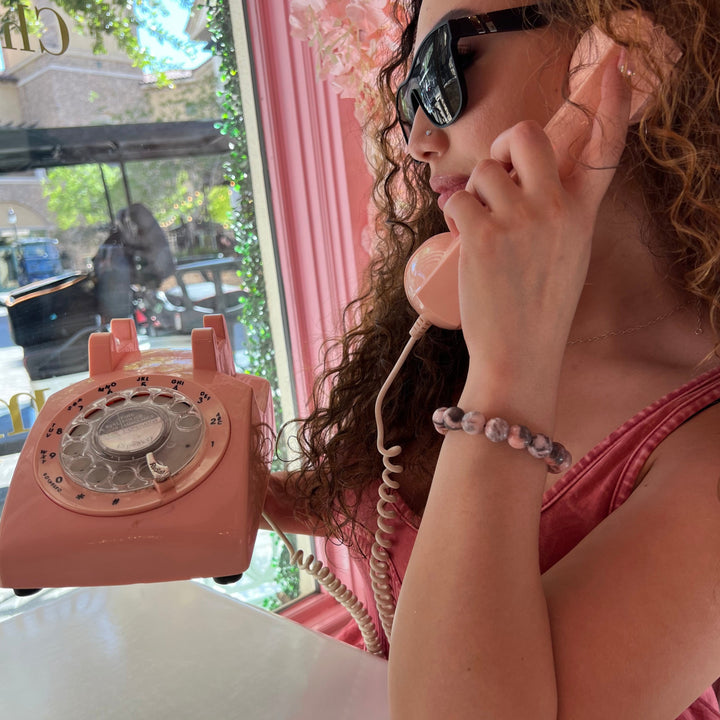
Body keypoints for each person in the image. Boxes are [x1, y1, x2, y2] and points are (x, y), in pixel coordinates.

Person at [264, 0, 720, 718]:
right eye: (411, 94)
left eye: (449, 66)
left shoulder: (705, 444)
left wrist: (508, 375)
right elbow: (395, 513)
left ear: (623, 54)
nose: (417, 138)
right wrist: (244, 491)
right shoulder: (454, 339)